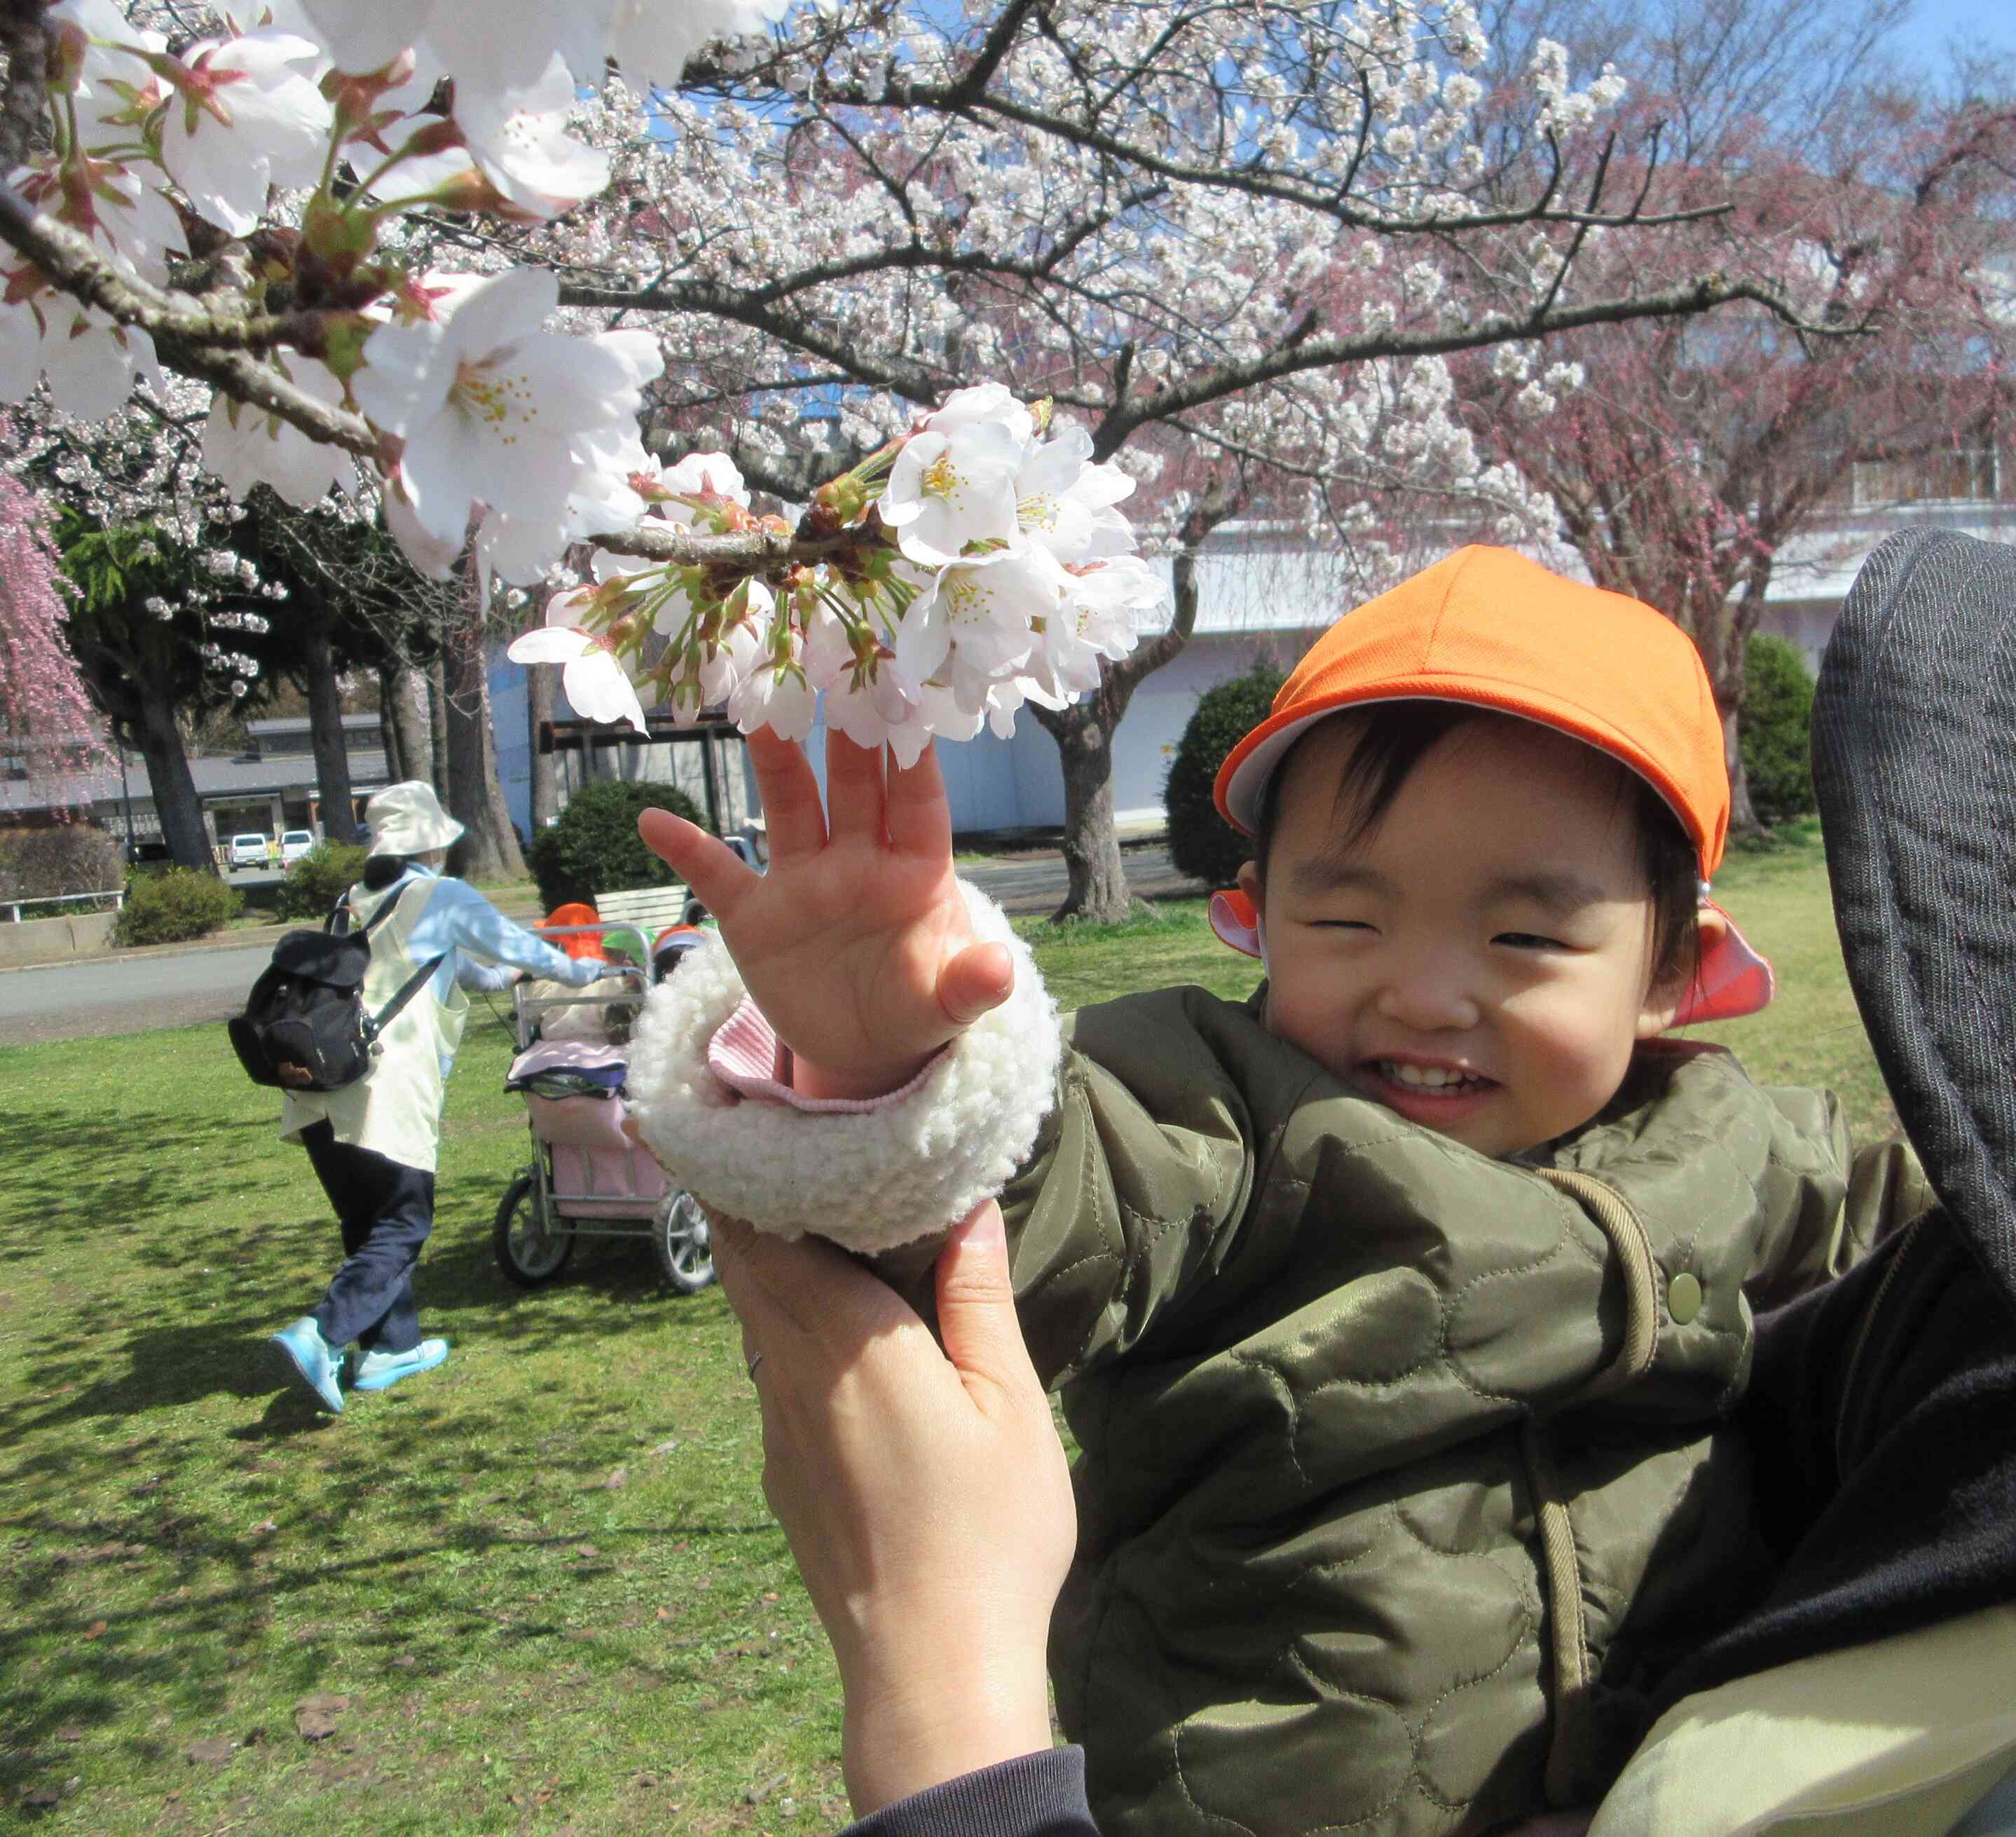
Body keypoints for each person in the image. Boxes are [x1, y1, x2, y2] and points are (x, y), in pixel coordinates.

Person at [711, 527, 2016, 1837]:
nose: (1424, 989)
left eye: (1523, 934)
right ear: (1253, 918)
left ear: (1678, 968)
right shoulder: (1227, 1124)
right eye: (1346, 919)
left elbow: (1961, 1236)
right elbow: (1041, 1204)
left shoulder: (1749, 1144)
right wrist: (893, 1069)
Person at [263, 780, 610, 1415]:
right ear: (433, 845)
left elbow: (472, 970)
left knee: (366, 1223)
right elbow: (525, 951)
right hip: (383, 1095)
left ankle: (393, 1347)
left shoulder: (350, 901)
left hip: (317, 1095)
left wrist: (508, 973)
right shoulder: (440, 895)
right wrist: (587, 969)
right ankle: (321, 1334)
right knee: (403, 1222)